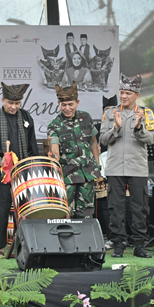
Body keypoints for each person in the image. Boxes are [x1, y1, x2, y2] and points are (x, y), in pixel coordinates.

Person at [100, 74, 154, 258]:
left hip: (137, 168)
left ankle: (139, 244)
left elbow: (151, 139)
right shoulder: (110, 113)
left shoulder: (146, 113)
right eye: (122, 92)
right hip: (115, 167)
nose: (124, 96)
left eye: (128, 93)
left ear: (137, 95)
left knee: (139, 207)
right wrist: (115, 128)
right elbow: (102, 139)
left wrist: (139, 128)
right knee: (116, 207)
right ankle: (118, 244)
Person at [0, 82, 39, 258]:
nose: (13, 107)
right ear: (3, 100)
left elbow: (32, 145)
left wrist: (32, 167)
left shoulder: (26, 117)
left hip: (22, 174)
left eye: (17, 103)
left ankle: (26, 246)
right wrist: (1, 159)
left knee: (25, 210)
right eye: (10, 103)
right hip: (1, 175)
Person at [47, 83, 100, 219]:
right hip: (68, 174)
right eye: (63, 105)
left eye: (70, 104)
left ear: (77, 103)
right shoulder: (54, 125)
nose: (67, 108)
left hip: (88, 172)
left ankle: (84, 239)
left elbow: (93, 141)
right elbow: (54, 148)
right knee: (66, 212)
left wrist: (98, 165)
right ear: (58, 104)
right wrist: (54, 156)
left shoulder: (86, 118)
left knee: (87, 212)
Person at [94, 94, 117, 243]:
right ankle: (106, 234)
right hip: (102, 170)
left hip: (117, 168)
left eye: (112, 109)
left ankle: (120, 236)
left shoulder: (121, 126)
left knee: (119, 204)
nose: (108, 112)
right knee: (103, 204)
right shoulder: (96, 128)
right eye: (106, 109)